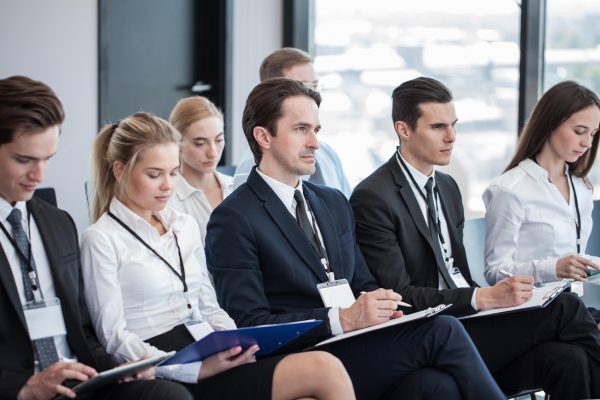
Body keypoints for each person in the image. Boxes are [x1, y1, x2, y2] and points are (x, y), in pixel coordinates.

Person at [206, 77, 505, 400]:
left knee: (434, 386)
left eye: (316, 130)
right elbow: (250, 322)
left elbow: (362, 282)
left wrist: (383, 307)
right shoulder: (234, 217)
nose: (315, 143)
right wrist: (341, 319)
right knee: (443, 331)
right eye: (300, 130)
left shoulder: (332, 202)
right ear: (264, 136)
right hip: (304, 355)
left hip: (353, 342)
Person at [350, 76, 600, 399]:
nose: (452, 137)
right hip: (435, 329)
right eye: (438, 127)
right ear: (404, 129)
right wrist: (483, 298)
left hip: (472, 319)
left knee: (569, 360)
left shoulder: (448, 188)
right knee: (564, 307)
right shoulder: (374, 197)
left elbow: (458, 274)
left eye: (454, 125)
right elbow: (400, 295)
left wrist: (486, 301)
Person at [80, 111, 356, 400]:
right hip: (161, 364)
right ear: (120, 170)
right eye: (154, 174)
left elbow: (208, 306)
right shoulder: (101, 239)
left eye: (174, 172)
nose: (167, 185)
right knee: (318, 371)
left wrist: (238, 344)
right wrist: (192, 368)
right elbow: (113, 337)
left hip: (206, 346)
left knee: (325, 367)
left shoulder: (182, 225)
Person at [0, 76, 191, 400]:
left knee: (167, 395)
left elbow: (83, 332)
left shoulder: (57, 223)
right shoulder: (98, 237)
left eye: (48, 158)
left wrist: (123, 367)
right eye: (24, 160)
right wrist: (23, 387)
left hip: (78, 383)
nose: (40, 175)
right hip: (20, 389)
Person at [483, 81, 600, 285]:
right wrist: (553, 269)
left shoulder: (581, 187)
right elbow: (495, 272)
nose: (588, 143)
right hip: (533, 308)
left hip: (572, 305)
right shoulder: (509, 189)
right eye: (579, 131)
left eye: (593, 134)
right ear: (550, 124)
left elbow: (578, 262)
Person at [232, 47, 352, 197]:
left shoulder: (327, 154)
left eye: (315, 85)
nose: (310, 94)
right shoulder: (252, 168)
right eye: (301, 85)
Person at [168, 96, 232, 245]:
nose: (213, 153)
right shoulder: (167, 201)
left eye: (218, 140)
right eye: (200, 143)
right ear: (177, 143)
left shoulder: (237, 187)